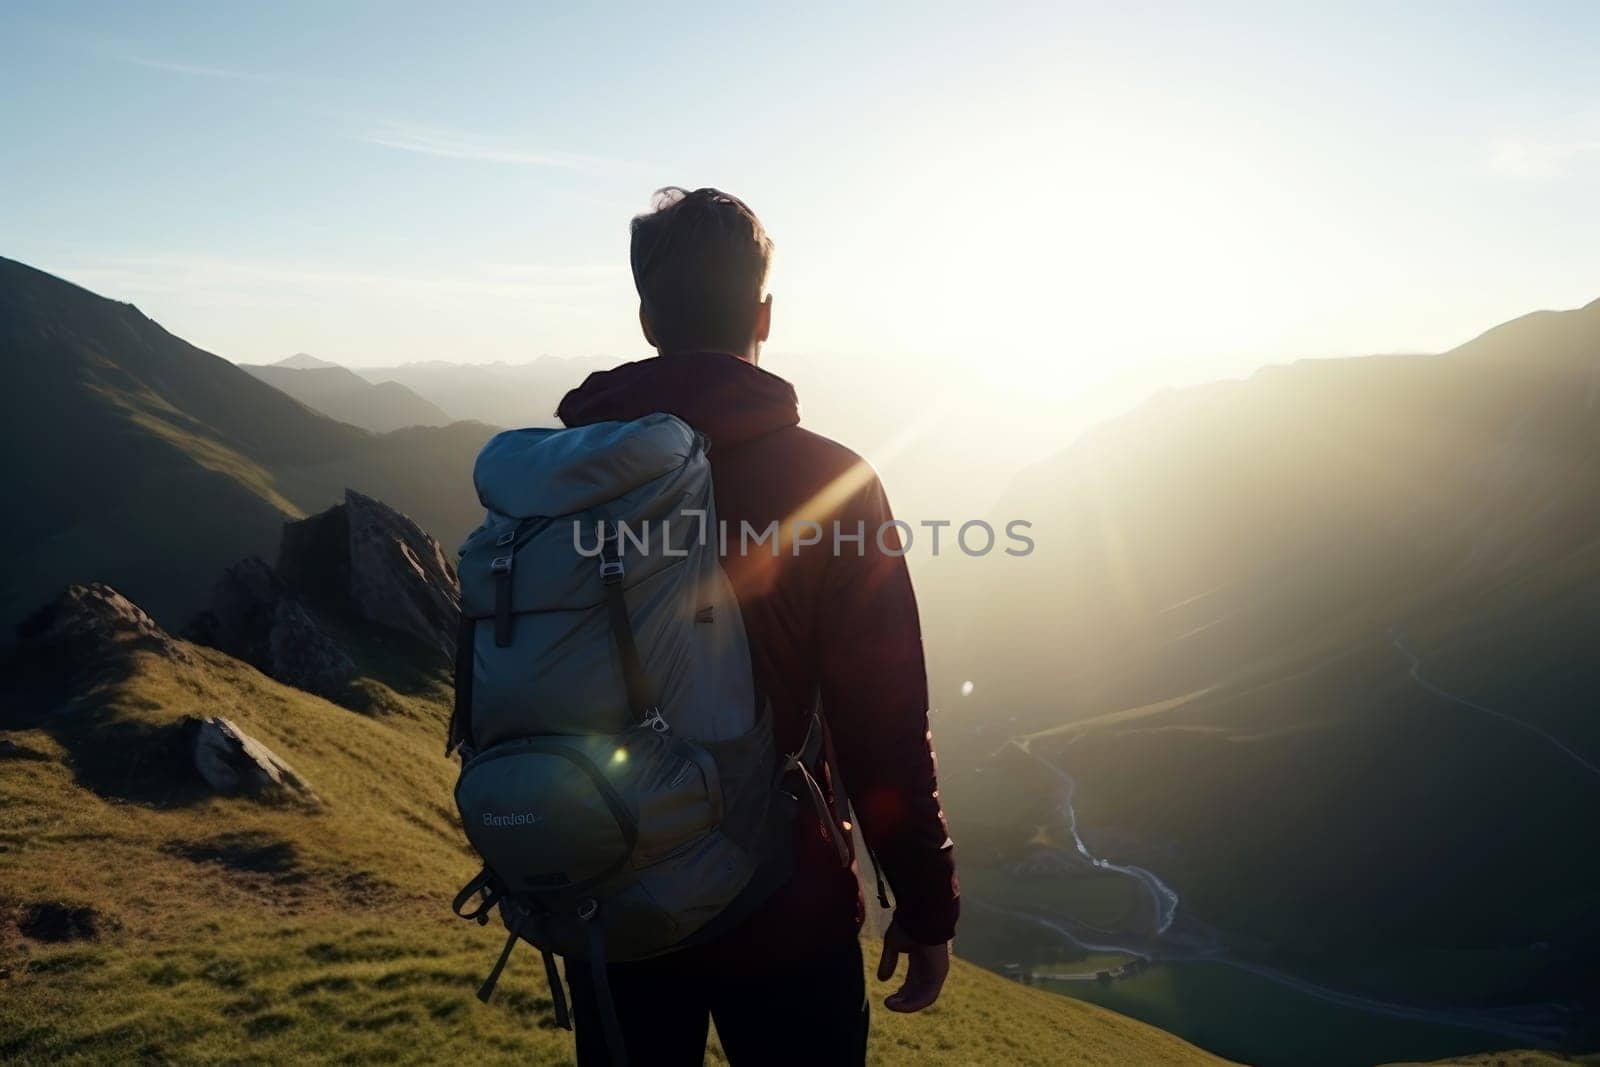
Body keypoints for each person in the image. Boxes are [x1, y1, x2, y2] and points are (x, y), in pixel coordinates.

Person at [553, 187, 959, 1066]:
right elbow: (882, 718)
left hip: (609, 889)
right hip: (783, 900)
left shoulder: (564, 476)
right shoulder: (832, 484)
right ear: (763, 316)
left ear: (646, 316)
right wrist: (925, 903)